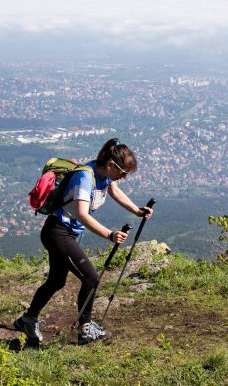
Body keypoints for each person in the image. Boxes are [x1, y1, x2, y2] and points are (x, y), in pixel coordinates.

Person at [14, 138, 153, 345]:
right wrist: (110, 234)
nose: (123, 178)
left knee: (56, 281)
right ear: (110, 165)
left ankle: (28, 319)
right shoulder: (85, 177)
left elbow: (114, 191)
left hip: (63, 234)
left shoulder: (103, 175)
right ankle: (85, 329)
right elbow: (82, 214)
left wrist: (137, 211)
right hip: (57, 233)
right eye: (123, 173)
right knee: (90, 277)